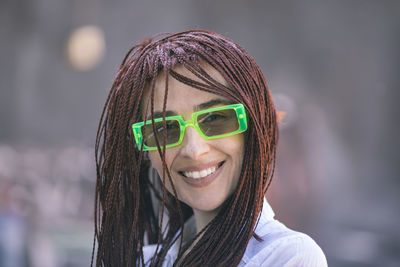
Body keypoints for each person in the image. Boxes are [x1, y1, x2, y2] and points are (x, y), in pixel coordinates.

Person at [92, 29, 327, 266]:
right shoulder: (147, 261)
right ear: (144, 151)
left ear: (253, 128)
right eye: (165, 129)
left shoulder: (288, 256)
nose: (193, 150)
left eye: (215, 119)